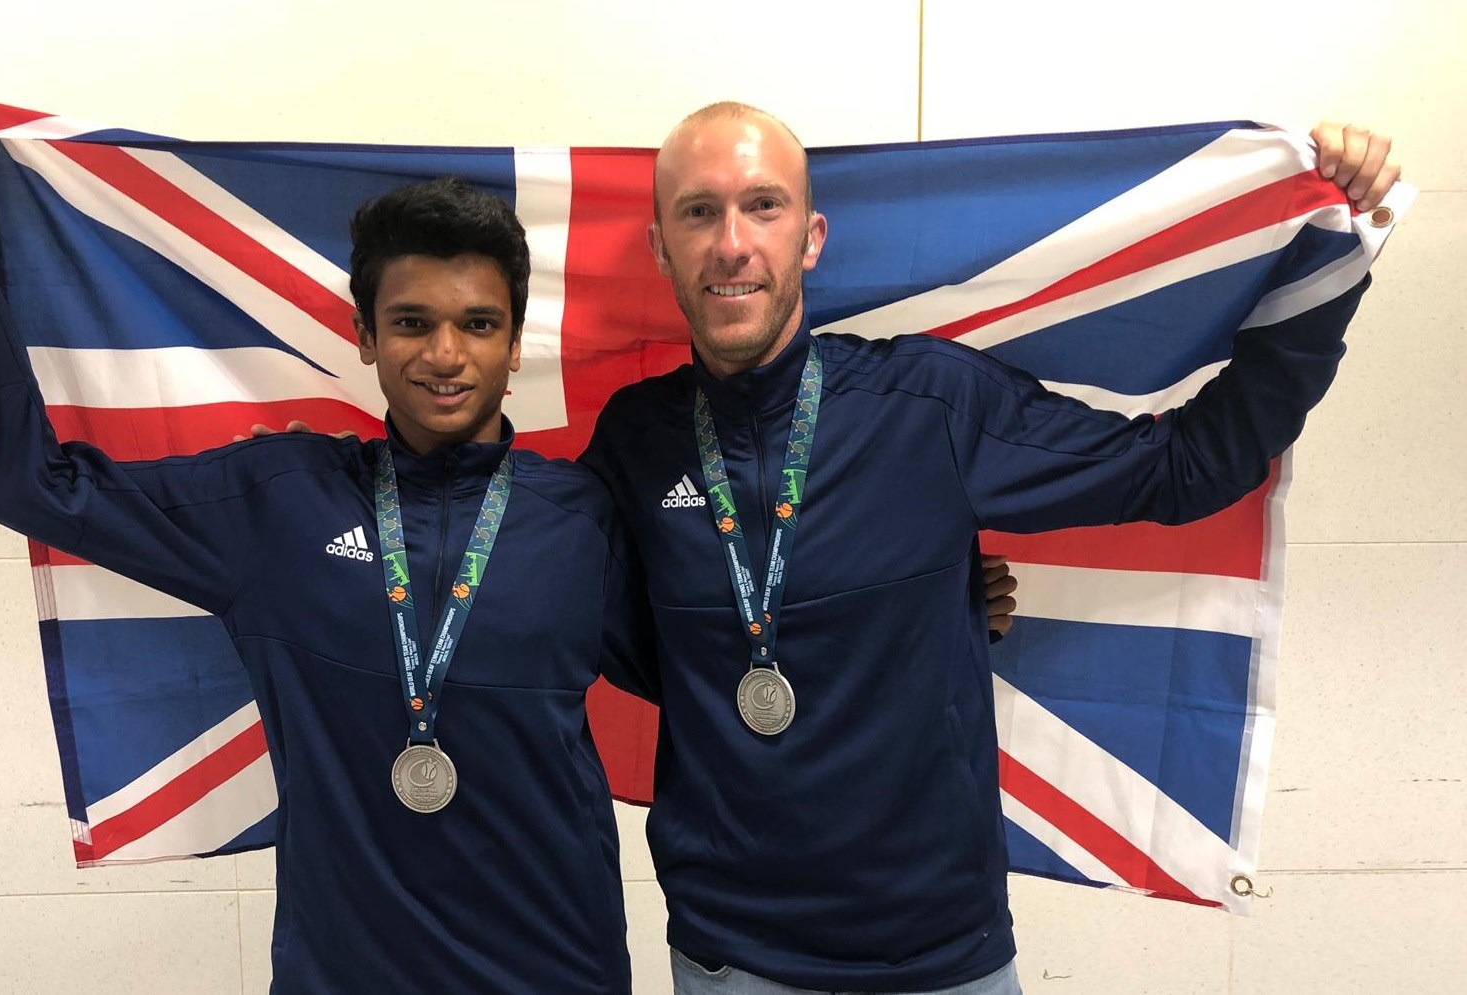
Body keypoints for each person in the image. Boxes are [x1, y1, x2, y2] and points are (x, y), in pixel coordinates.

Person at [575, 102, 1398, 994]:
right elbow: (594, 622)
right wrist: (894, 618)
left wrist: (1329, 258)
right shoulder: (634, 440)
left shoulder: (927, 405)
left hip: (941, 956)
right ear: (661, 248)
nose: (732, 244)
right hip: (732, 956)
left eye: (762, 206)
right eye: (699, 212)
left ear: (810, 238)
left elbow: (1182, 468)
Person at [0, 76, 658, 993]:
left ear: (513, 346)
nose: (444, 354)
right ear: (364, 335)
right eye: (411, 323)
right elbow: (22, 480)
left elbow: (713, 671)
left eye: (478, 324)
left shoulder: (582, 517)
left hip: (556, 971)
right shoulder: (278, 501)